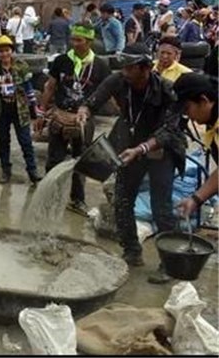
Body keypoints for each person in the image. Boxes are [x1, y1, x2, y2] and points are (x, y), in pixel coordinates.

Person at [77, 43, 186, 284]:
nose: (124, 72)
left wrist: (143, 148)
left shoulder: (166, 90)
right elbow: (94, 100)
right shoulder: (118, 81)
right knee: (122, 199)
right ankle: (131, 251)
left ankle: (169, 264)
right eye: (123, 67)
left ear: (144, 68)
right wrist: (84, 110)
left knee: (161, 207)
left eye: (129, 68)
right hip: (129, 144)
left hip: (161, 150)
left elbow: (170, 130)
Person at [36, 23, 110, 216]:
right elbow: (50, 87)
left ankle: (77, 199)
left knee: (80, 161)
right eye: (73, 39)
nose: (74, 44)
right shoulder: (61, 60)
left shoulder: (101, 66)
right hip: (60, 116)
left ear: (90, 42)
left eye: (79, 40)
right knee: (54, 159)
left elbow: (107, 92)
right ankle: (49, 194)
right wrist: (41, 112)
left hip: (84, 121)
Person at [0, 36, 41, 185]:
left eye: (7, 50)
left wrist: (33, 107)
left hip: (20, 110)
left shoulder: (21, 67)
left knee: (25, 141)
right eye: (1, 51)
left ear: (12, 51)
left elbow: (29, 88)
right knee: (3, 142)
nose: (4, 54)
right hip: (1, 111)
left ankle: (32, 171)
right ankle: (5, 170)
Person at [172, 74, 218, 218]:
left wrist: (196, 199)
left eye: (187, 109)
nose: (188, 116)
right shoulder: (213, 121)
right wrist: (195, 199)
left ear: (203, 101)